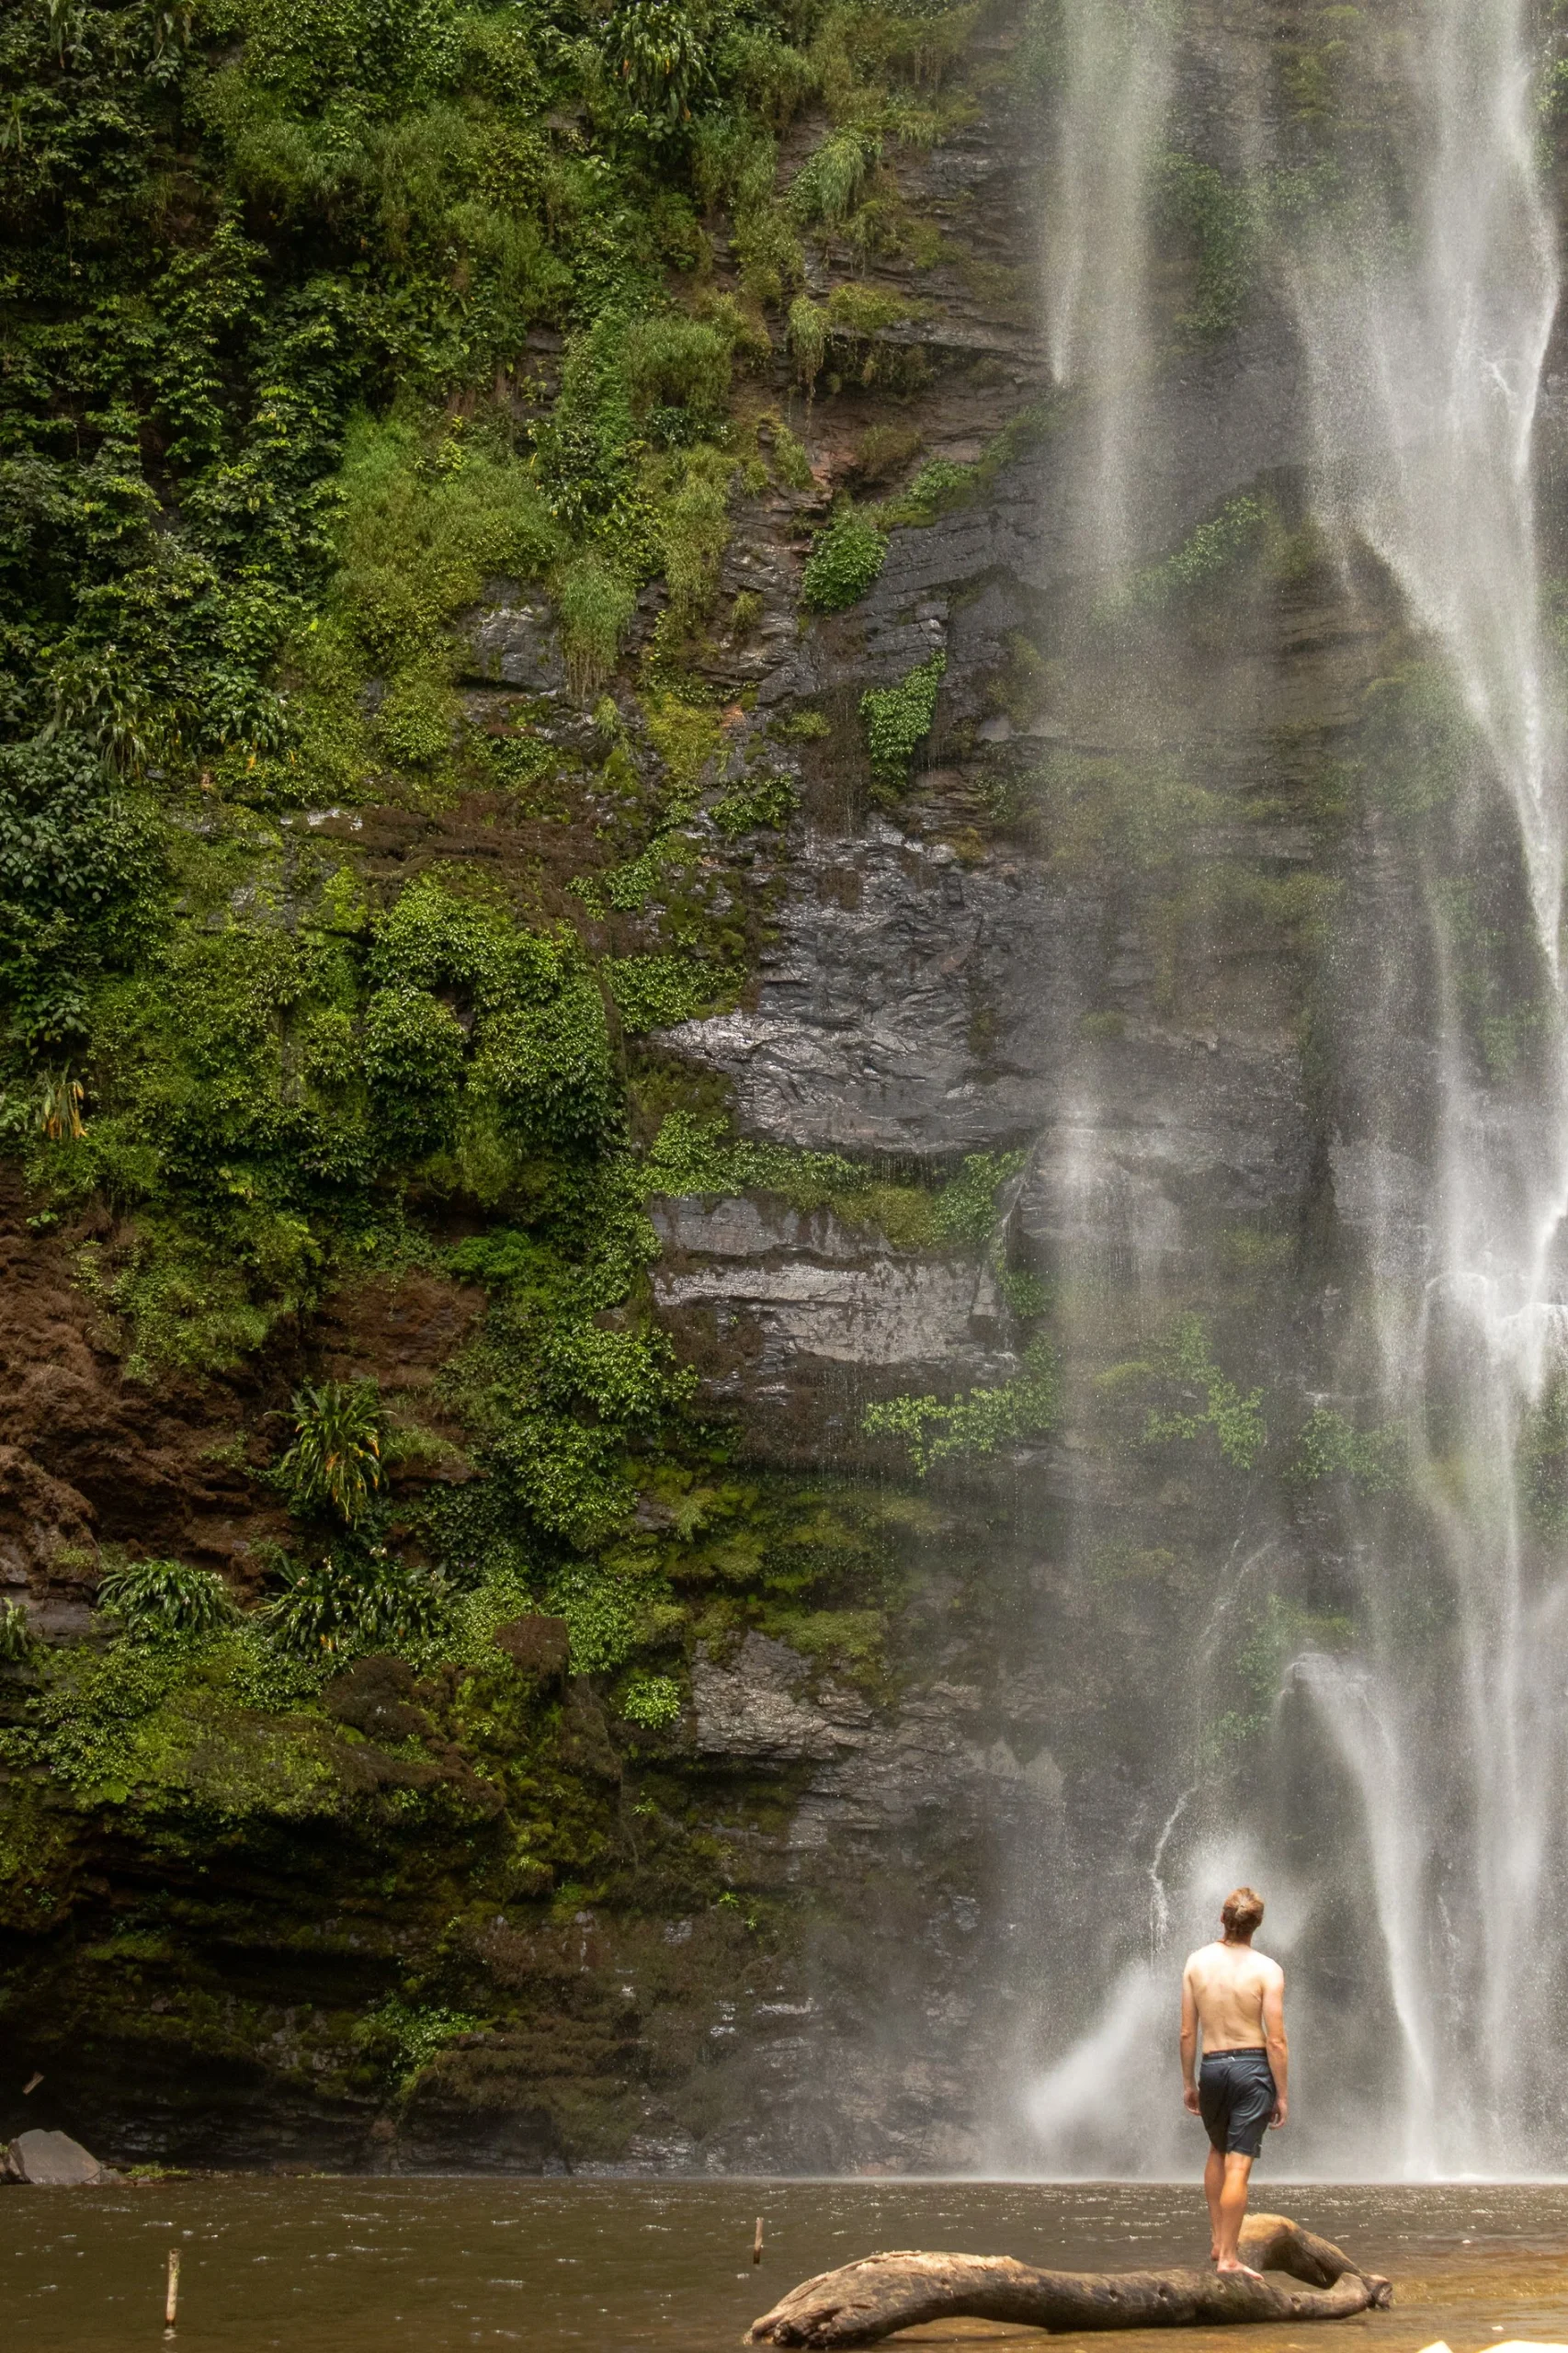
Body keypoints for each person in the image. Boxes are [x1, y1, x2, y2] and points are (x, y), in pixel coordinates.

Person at [1179, 1886, 1287, 2277]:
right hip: (1252, 2068)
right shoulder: (1267, 1970)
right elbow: (1275, 2038)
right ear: (1256, 1925)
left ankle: (1216, 2241)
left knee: (1216, 2149)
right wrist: (1283, 2094)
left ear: (1222, 1919)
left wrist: (1189, 2082)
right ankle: (1228, 2256)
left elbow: (1187, 2033)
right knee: (1238, 2166)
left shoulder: (1196, 1963)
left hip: (1213, 2065)